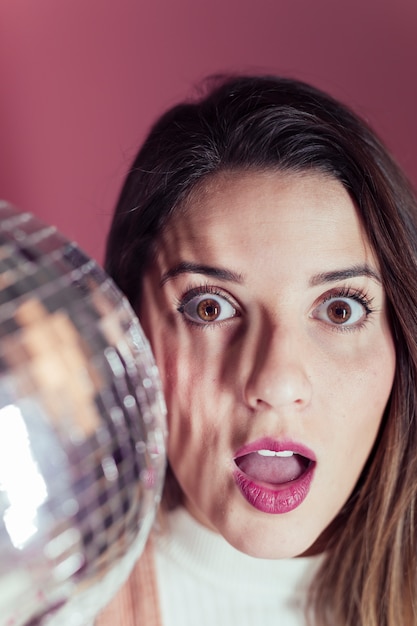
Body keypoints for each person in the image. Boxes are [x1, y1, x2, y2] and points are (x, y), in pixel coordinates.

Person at [96, 75, 417, 626]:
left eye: (340, 309)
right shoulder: (39, 598)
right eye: (210, 308)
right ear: (130, 334)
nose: (276, 382)